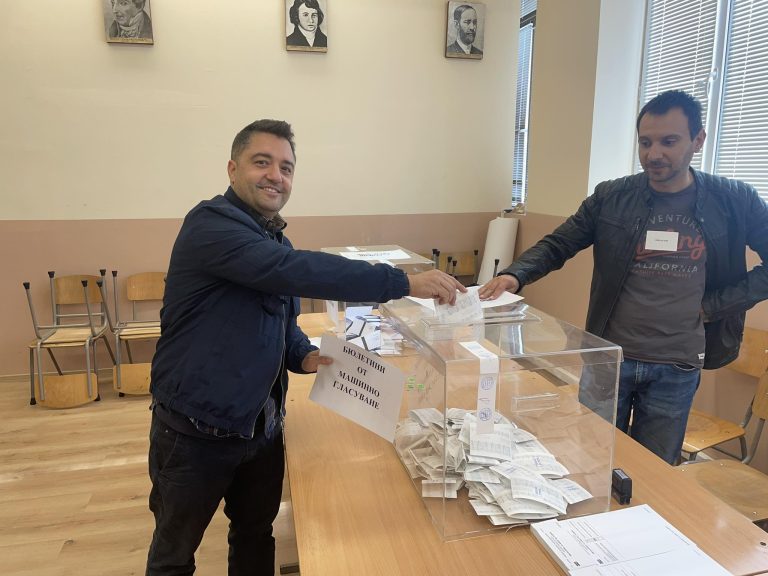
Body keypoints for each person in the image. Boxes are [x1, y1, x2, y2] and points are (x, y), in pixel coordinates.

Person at [145, 119, 464, 576]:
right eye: (262, 162)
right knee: (173, 556)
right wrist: (403, 282)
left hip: (261, 426)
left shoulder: (274, 240)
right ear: (233, 169)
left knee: (255, 534)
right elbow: (294, 270)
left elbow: (283, 320)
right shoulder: (211, 226)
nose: (275, 175)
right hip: (197, 430)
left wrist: (303, 355)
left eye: (286, 167)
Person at [479, 90, 768, 465]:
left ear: (698, 140)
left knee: (653, 471)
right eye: (645, 143)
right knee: (590, 460)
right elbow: (559, 243)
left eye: (668, 141)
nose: (654, 154)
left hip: (677, 364)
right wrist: (515, 275)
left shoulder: (734, 200)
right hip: (609, 358)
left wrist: (714, 305)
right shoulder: (612, 197)